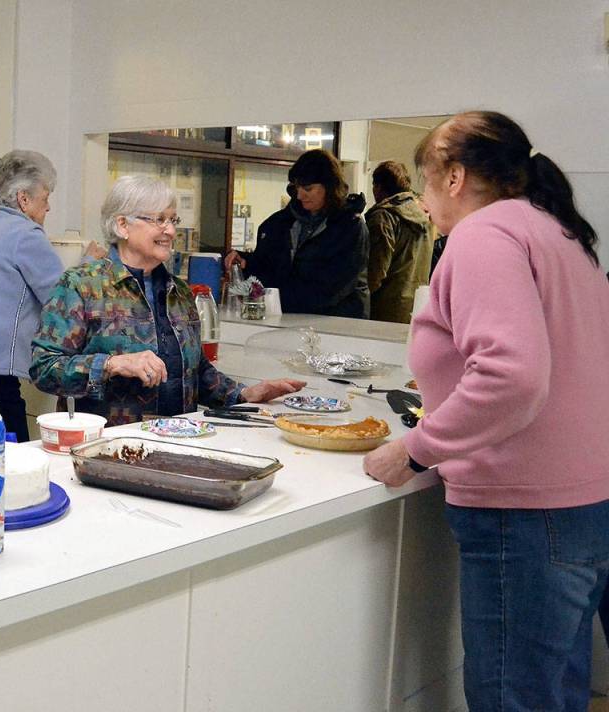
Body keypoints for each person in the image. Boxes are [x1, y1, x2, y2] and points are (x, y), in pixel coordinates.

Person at [362, 110, 609, 711]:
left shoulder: (484, 234)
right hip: (583, 500)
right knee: (557, 694)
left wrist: (416, 449)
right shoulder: (556, 231)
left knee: (514, 700)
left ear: (454, 178)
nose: (423, 199)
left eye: (425, 182)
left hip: (523, 509)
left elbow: (511, 375)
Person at [30, 175, 304, 425]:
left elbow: (195, 372)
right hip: (108, 449)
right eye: (159, 219)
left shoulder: (180, 292)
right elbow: (44, 368)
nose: (170, 231)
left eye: (173, 220)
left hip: (177, 442)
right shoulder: (81, 285)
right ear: (122, 224)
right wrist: (112, 365)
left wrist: (244, 393)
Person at [0, 149, 104, 443]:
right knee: (12, 459)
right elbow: (62, 299)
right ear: (23, 199)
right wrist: (89, 264)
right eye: (45, 197)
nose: (49, 207)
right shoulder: (25, 234)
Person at [223, 149, 369, 318]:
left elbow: (331, 289)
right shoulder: (277, 224)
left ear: (329, 187)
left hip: (337, 325)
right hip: (283, 320)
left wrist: (275, 299)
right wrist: (245, 262)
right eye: (297, 187)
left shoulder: (350, 228)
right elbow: (267, 266)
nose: (300, 195)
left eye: (308, 188)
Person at [364, 160, 433, 323]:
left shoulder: (383, 217)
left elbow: (376, 271)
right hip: (415, 306)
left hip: (384, 308)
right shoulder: (424, 216)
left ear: (378, 187)